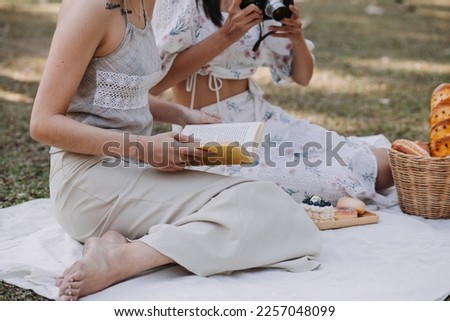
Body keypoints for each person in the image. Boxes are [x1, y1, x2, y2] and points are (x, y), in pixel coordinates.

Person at [29, 0, 322, 301]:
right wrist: (144, 149)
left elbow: (119, 91)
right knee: (270, 209)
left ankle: (113, 244)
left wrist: (182, 115)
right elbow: (43, 123)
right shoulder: (91, 8)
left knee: (266, 201)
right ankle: (127, 260)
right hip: (88, 183)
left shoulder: (146, 6)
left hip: (131, 169)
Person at [150, 0, 397, 207]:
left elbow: (303, 77)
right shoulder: (182, 3)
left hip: (260, 117)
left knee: (382, 166)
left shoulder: (263, 2)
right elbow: (154, 86)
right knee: (332, 185)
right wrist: (227, 34)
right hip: (209, 131)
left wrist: (296, 35)